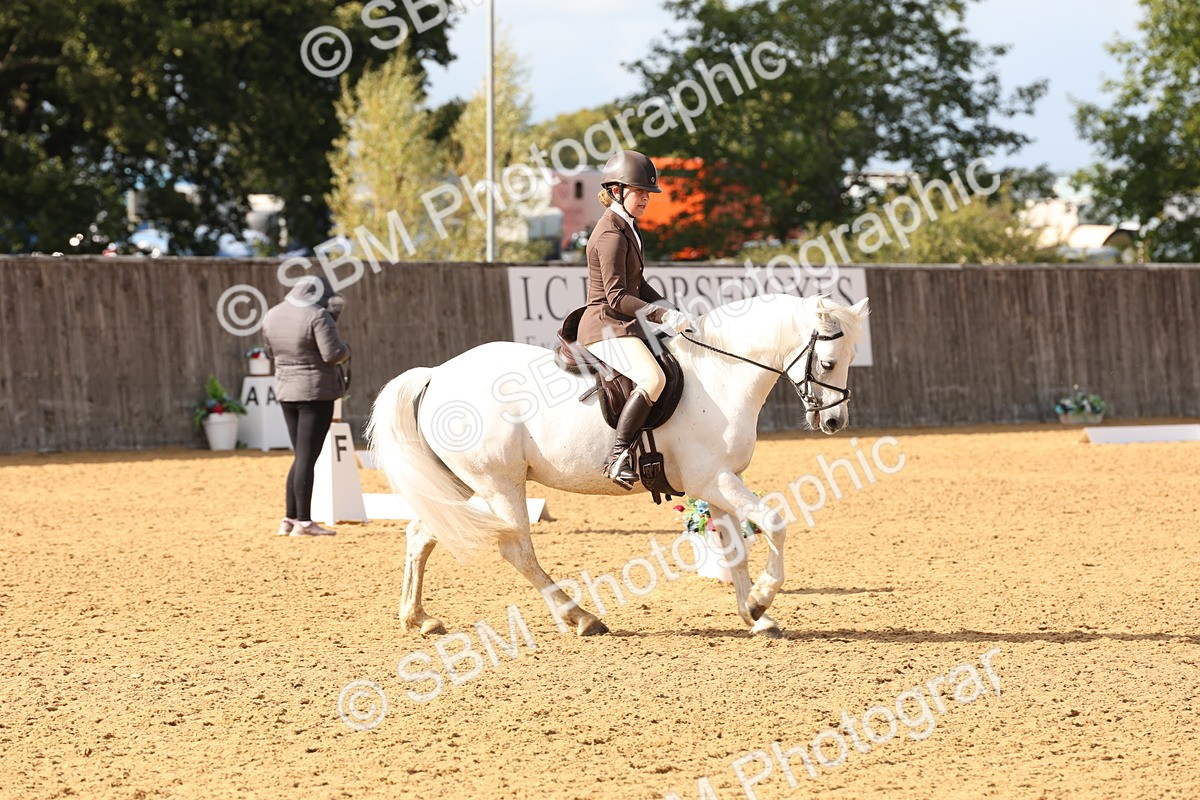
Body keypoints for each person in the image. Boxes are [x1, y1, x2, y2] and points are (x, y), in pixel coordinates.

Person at [578, 149, 697, 489]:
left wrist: (672, 308)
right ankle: (617, 455)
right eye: (639, 191)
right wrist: (661, 314)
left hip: (622, 323)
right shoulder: (610, 234)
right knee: (652, 379)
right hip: (605, 325)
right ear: (616, 190)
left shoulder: (627, 227)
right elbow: (617, 296)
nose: (646, 198)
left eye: (648, 193)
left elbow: (639, 285)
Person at [262, 275, 351, 536]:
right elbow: (332, 354)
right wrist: (347, 348)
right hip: (315, 393)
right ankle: (304, 521)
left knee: (301, 455)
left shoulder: (272, 314)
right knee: (307, 458)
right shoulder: (318, 315)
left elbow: (270, 352)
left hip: (286, 392)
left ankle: (289, 519)